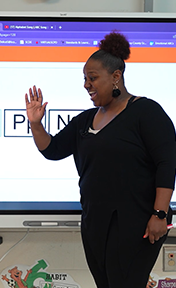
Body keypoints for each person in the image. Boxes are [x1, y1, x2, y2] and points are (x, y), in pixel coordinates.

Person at [25, 31, 176, 287]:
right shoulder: (85, 120)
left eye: (92, 78)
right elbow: (53, 149)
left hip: (137, 221)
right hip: (95, 221)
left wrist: (160, 214)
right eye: (84, 79)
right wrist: (36, 124)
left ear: (116, 76)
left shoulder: (146, 111)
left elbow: (167, 162)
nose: (86, 85)